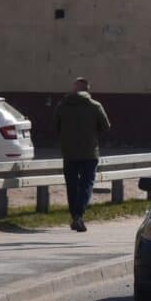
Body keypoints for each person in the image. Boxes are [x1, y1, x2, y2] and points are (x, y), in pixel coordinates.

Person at [53, 76, 110, 231]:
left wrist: (66, 139)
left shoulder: (62, 106)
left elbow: (55, 127)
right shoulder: (95, 106)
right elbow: (106, 126)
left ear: (73, 88)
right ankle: (79, 215)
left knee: (71, 185)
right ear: (87, 90)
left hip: (69, 153)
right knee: (86, 184)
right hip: (89, 152)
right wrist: (92, 135)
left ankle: (74, 216)